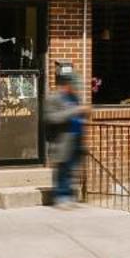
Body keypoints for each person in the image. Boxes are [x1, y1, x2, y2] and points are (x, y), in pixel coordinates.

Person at [43, 65, 86, 206]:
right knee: (63, 169)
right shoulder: (53, 99)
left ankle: (68, 195)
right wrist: (75, 111)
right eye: (73, 83)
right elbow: (52, 118)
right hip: (61, 140)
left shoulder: (75, 98)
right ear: (66, 84)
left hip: (75, 138)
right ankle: (61, 196)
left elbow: (78, 115)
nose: (75, 87)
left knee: (71, 169)